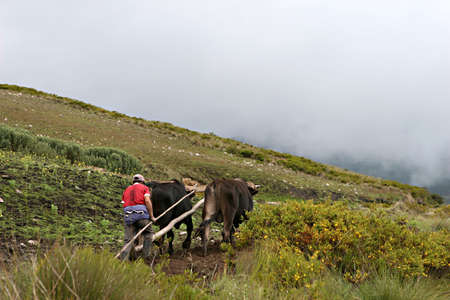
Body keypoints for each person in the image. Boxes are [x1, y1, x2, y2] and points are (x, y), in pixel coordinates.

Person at [120, 174, 157, 261]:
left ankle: (123, 261)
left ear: (133, 182)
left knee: (128, 240)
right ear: (142, 182)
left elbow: (124, 203)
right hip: (142, 215)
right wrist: (151, 216)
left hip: (128, 215)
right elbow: (147, 201)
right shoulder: (144, 188)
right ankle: (146, 257)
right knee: (148, 234)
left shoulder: (127, 189)